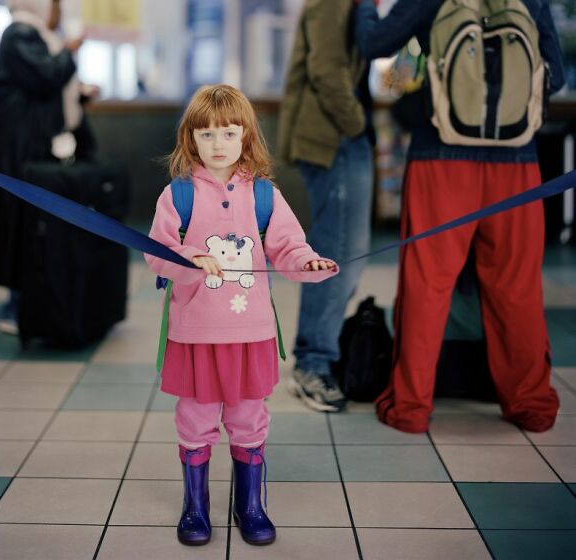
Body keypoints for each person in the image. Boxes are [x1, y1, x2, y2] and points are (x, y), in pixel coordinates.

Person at [355, 0, 564, 433]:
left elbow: (373, 43)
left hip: (441, 158)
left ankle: (410, 408)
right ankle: (531, 405)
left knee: (427, 285)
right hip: (518, 163)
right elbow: (554, 77)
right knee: (516, 287)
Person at [145, 84, 338, 546]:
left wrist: (307, 262)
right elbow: (158, 252)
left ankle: (250, 506)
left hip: (249, 333)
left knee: (249, 418)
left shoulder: (264, 195)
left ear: (245, 136)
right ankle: (196, 508)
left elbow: (288, 246)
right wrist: (188, 258)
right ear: (190, 139)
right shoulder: (178, 195)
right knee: (195, 419)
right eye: (206, 135)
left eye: (228, 134)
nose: (217, 145)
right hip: (194, 334)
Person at [277, 0, 374, 412]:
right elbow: (327, 72)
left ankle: (318, 354)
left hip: (338, 141)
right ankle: (313, 362)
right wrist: (358, 126)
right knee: (337, 255)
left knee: (345, 256)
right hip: (333, 141)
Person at [0, 0, 83, 335]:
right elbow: (48, 76)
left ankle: (24, 303)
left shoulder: (25, 34)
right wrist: (69, 50)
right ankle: (19, 307)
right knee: (25, 226)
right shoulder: (21, 34)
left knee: (27, 225)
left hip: (25, 149)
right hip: (23, 151)